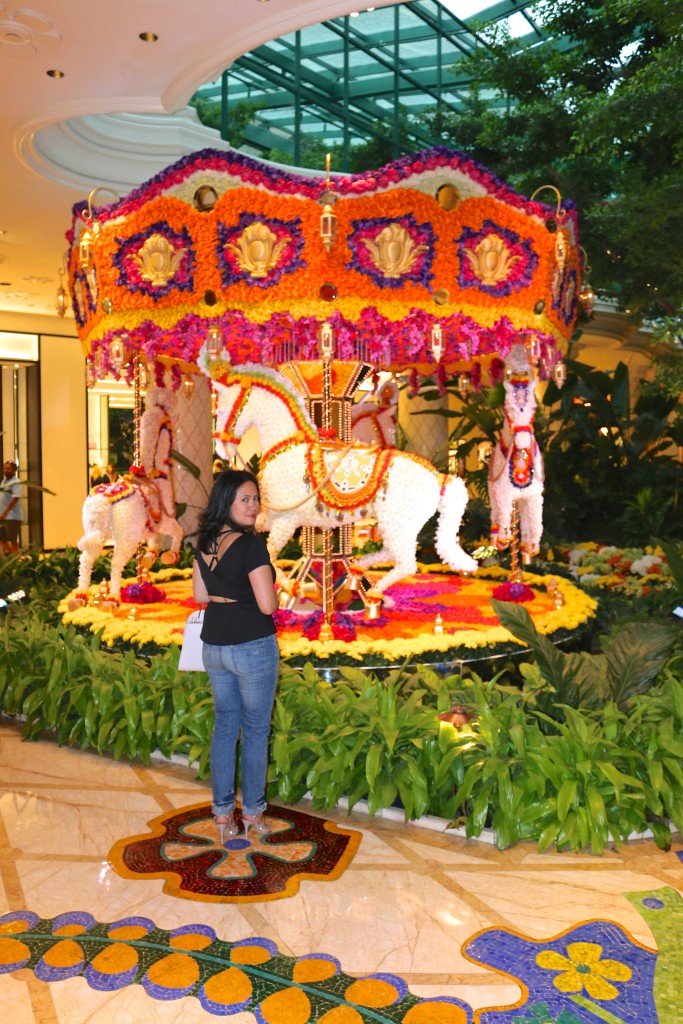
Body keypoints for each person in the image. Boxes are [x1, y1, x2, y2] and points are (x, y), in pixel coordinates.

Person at [192, 469, 280, 843]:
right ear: (226, 500)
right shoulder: (251, 546)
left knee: (226, 727)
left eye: (255, 498)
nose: (252, 505)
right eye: (244, 498)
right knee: (256, 730)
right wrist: (277, 592)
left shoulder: (204, 541)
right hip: (251, 644)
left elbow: (199, 595)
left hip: (214, 644)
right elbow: (267, 604)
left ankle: (223, 815)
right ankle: (254, 812)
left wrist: (226, 592)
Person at [0, 461, 23, 554]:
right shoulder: (4, 481)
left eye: (8, 469)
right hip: (3, 517)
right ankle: (10, 557)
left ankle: (15, 561)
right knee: (1, 538)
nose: (5, 471)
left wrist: (5, 513)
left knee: (12, 539)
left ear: (14, 470)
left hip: (13, 517)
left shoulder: (16, 482)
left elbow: (15, 499)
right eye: (4, 469)